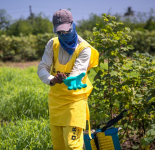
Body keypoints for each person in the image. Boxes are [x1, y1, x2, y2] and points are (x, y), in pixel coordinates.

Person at [37, 9, 99, 150]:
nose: (63, 34)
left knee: (72, 146)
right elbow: (42, 68)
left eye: (65, 31)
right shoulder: (52, 44)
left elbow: (78, 72)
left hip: (75, 101)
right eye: (59, 32)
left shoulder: (84, 49)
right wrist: (52, 79)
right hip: (56, 102)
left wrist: (67, 79)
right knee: (59, 146)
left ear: (72, 24)